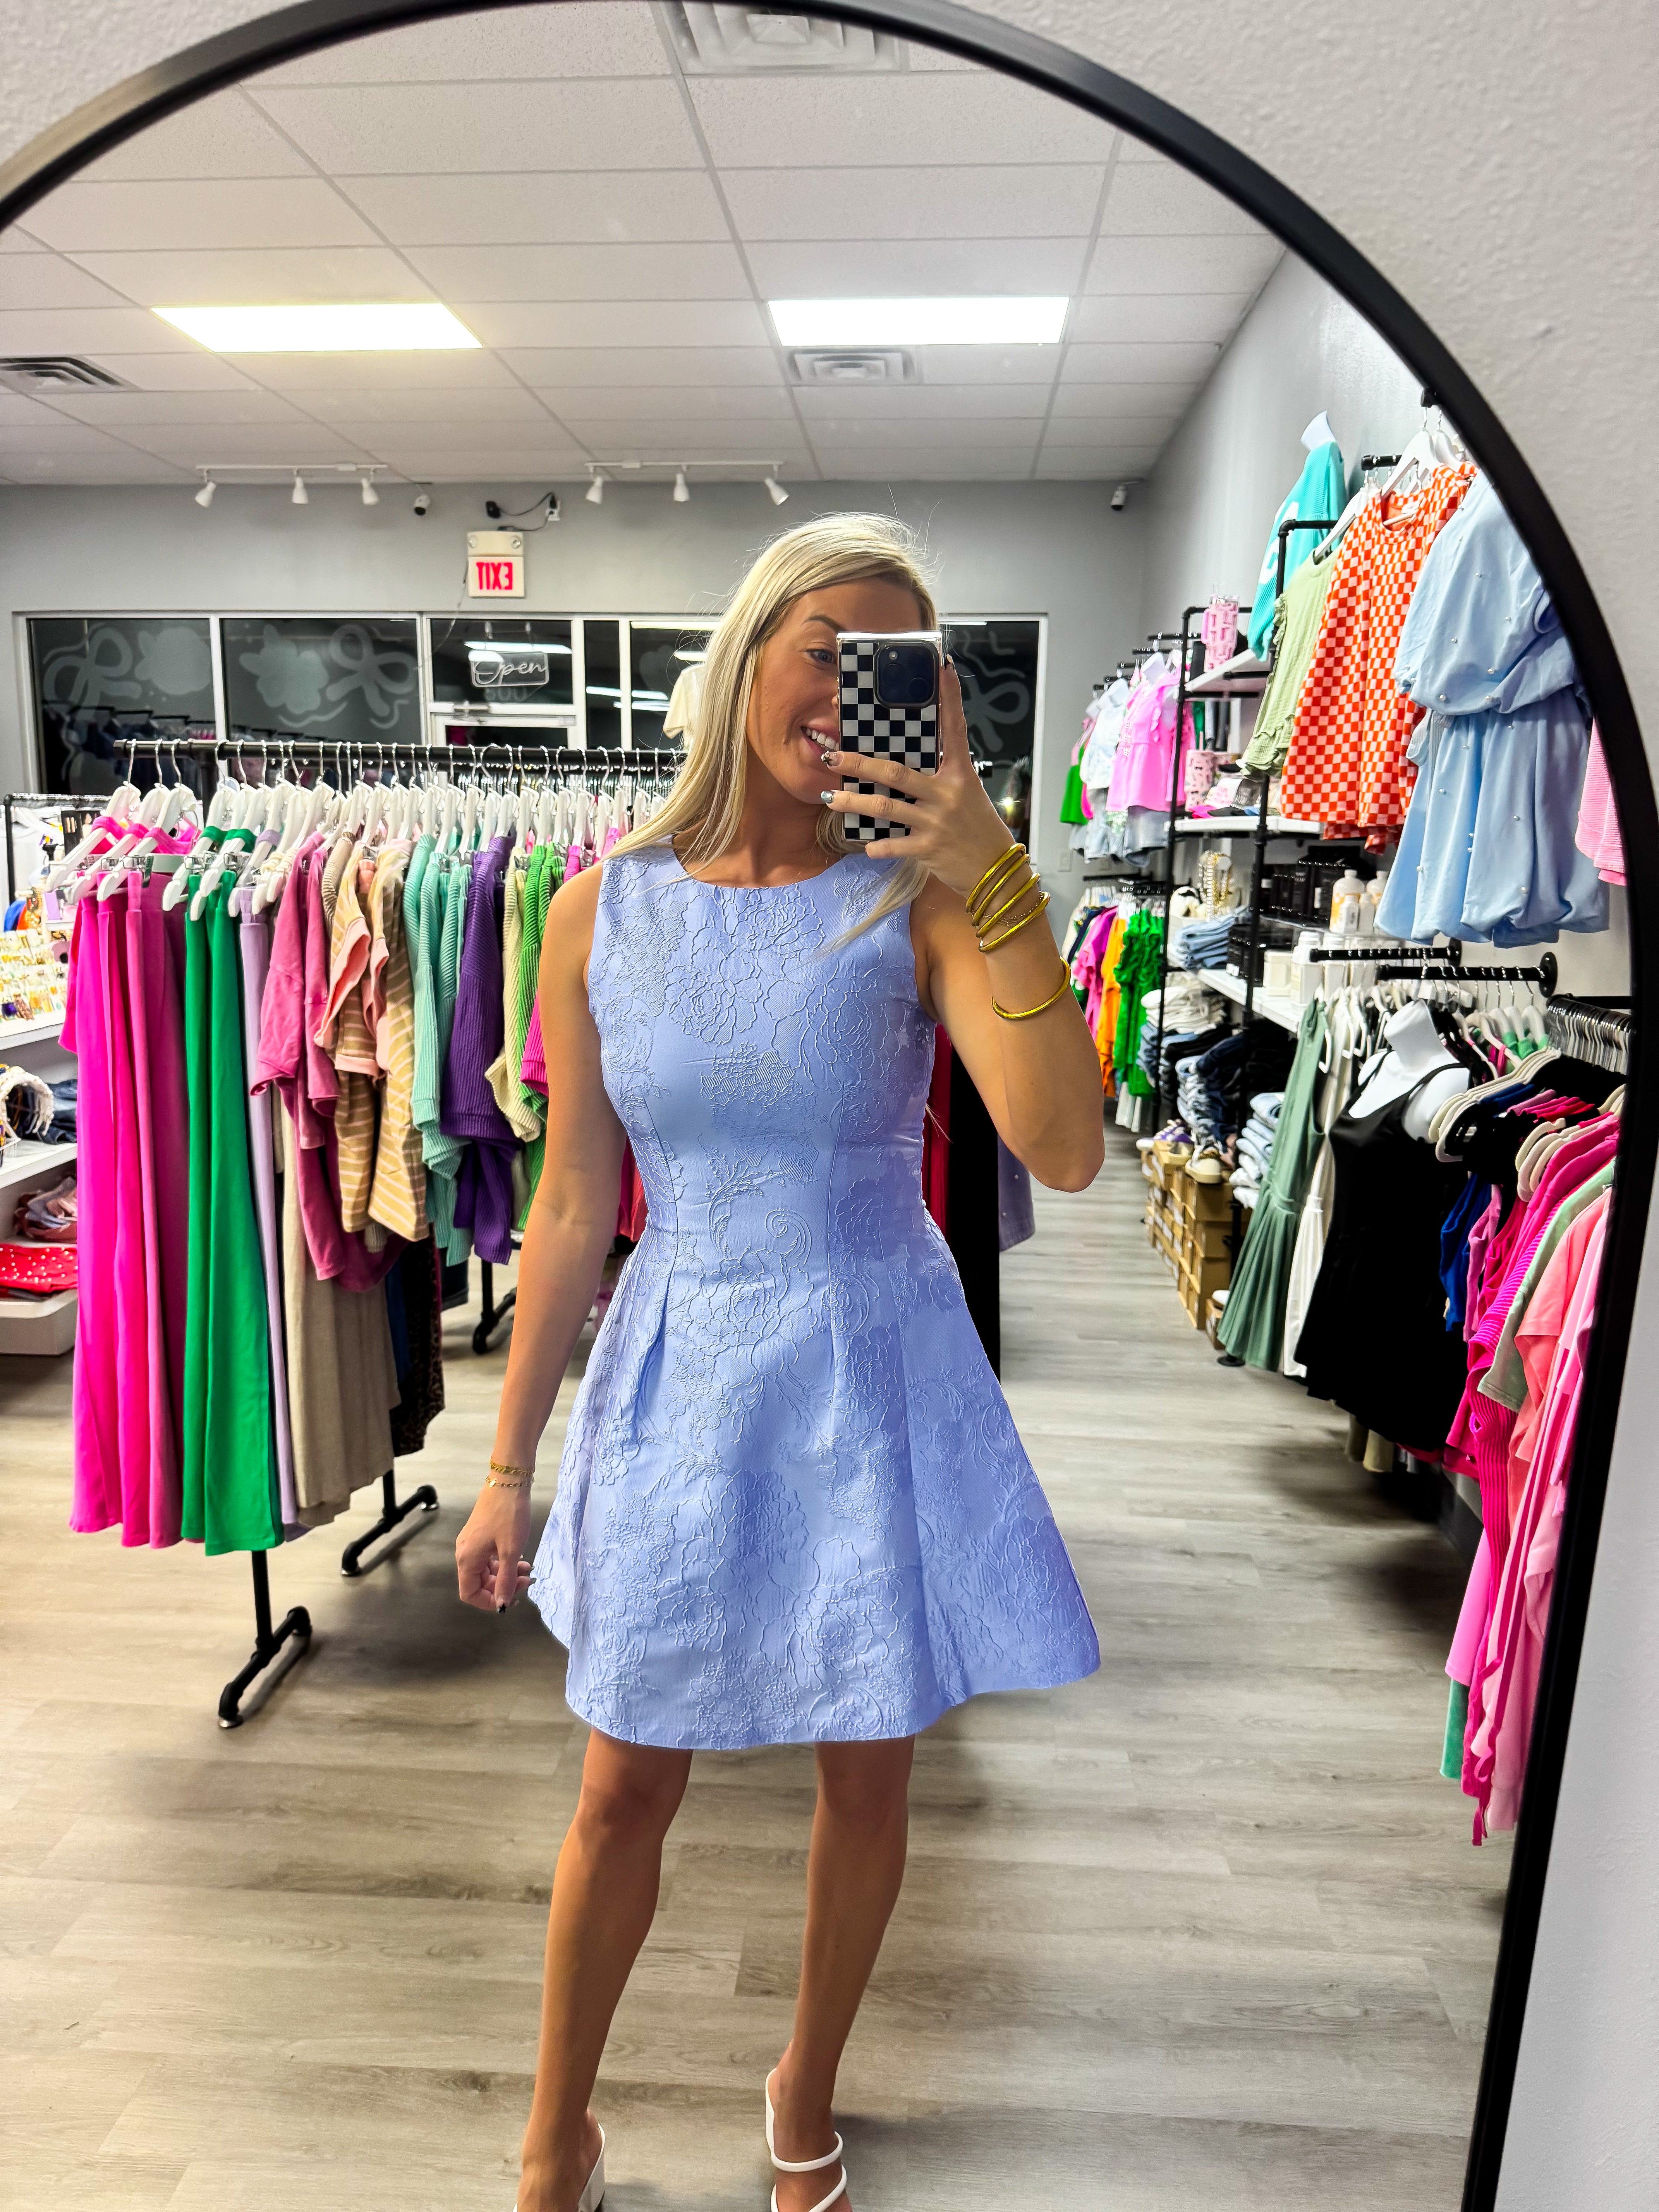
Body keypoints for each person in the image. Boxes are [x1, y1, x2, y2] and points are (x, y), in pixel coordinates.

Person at [455, 514, 1104, 2212]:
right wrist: (509, 1465)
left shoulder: (924, 903)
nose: (844, 693)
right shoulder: (598, 911)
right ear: (747, 653)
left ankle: (803, 2084)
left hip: (868, 1365)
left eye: (891, 668)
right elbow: (571, 1205)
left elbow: (1064, 1147)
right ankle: (555, 2132)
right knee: (621, 1779)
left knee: (867, 1760)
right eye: (826, 648)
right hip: (678, 1362)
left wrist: (994, 865)